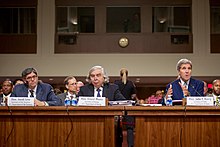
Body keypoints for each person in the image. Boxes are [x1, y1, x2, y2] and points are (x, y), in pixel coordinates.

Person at [114, 68, 136, 147]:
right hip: (128, 108)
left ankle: (117, 144)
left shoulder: (116, 83)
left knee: (117, 127)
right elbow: (133, 96)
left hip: (118, 107)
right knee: (130, 128)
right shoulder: (131, 83)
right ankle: (130, 145)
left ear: (120, 74)